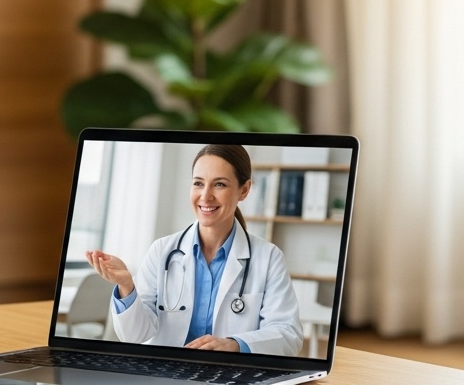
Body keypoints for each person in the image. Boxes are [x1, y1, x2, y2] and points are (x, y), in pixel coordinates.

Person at [85, 145, 303, 356]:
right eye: (198, 183)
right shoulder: (162, 251)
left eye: (219, 185)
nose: (205, 196)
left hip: (228, 376)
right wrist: (126, 286)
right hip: (164, 375)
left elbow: (288, 334)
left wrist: (234, 345)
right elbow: (135, 335)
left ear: (244, 190)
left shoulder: (268, 258)